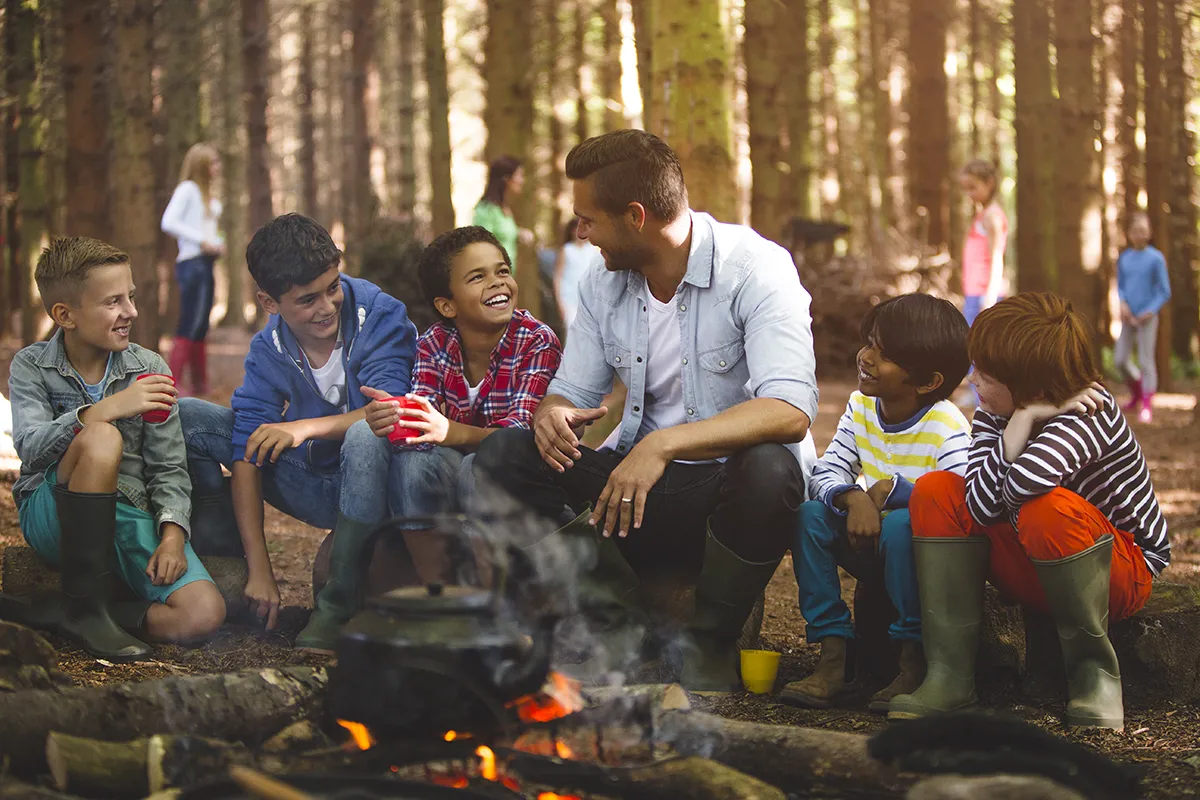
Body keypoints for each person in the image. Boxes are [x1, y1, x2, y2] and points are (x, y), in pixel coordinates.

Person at [473, 130, 818, 691]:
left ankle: (708, 642)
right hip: (628, 498)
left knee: (773, 467)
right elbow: (571, 391)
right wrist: (551, 416)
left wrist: (663, 445)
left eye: (588, 220)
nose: (579, 233)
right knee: (504, 455)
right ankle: (617, 626)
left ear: (635, 216)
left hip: (721, 502)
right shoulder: (600, 280)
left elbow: (789, 409)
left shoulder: (756, 268)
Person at [891, 293, 1169, 731]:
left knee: (1047, 506)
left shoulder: (1092, 411)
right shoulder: (996, 412)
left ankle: (1094, 676)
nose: (972, 380)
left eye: (986, 373)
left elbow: (1023, 486)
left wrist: (1022, 423)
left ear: (1031, 384)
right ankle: (950, 676)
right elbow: (979, 506)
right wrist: (1021, 420)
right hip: (1036, 559)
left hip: (1118, 572)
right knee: (935, 490)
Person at [178, 214, 417, 646]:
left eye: (332, 287)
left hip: (382, 482)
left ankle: (335, 605)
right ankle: (222, 559)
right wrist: (260, 570)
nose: (326, 306)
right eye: (307, 300)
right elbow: (245, 450)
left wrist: (303, 428)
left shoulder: (379, 314)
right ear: (270, 303)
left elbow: (390, 412)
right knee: (189, 418)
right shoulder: (268, 349)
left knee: (366, 434)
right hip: (313, 483)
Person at [5, 237, 225, 660]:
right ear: (64, 315)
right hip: (55, 514)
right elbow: (31, 448)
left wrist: (173, 536)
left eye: (131, 297)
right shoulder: (31, 366)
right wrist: (105, 410)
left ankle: (78, 611)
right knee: (103, 437)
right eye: (113, 302)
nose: (131, 312)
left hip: (128, 511)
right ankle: (87, 611)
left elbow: (168, 466)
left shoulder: (149, 368)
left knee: (202, 614)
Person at [780, 294, 971, 712]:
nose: (865, 357)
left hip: (921, 559)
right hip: (867, 540)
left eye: (883, 354)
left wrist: (892, 490)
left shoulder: (947, 425)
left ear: (927, 382)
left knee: (904, 525)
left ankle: (911, 660)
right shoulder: (862, 406)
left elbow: (960, 497)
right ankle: (833, 657)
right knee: (811, 515)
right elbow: (826, 472)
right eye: (869, 343)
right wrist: (853, 498)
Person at [357, 225, 562, 585]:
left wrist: (448, 430)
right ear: (446, 305)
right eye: (477, 277)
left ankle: (494, 601)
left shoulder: (536, 341)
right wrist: (397, 416)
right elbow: (423, 430)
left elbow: (516, 440)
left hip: (521, 487)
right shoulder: (434, 343)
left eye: (502, 271)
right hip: (453, 485)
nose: (498, 283)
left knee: (475, 467)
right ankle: (442, 593)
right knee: (412, 463)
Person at [161, 142, 225, 396]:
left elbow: (212, 229)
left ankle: (200, 384)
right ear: (201, 166)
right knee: (190, 321)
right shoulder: (187, 189)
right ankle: (172, 382)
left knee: (201, 325)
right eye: (213, 163)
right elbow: (169, 221)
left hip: (206, 263)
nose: (218, 167)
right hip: (192, 263)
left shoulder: (208, 196)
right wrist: (201, 240)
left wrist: (218, 243)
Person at [1114, 211, 1171, 424]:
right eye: (1135, 231)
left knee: (1146, 359)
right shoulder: (1125, 258)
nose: (1139, 234)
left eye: (1143, 230)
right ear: (1129, 233)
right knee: (1120, 359)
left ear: (1149, 233)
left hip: (1148, 317)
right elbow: (1120, 286)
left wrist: (1150, 310)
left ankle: (1147, 404)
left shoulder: (1156, 258)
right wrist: (1123, 304)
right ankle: (1137, 392)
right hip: (1128, 317)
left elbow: (1164, 291)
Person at [959, 158, 1008, 326]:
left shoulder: (992, 217)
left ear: (989, 183)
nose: (969, 194)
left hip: (984, 294)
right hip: (973, 292)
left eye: (973, 188)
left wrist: (991, 296)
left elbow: (996, 256)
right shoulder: (982, 215)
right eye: (966, 189)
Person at [473, 155, 535, 269]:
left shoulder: (504, 208)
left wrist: (519, 233)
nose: (522, 180)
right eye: (519, 175)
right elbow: (481, 244)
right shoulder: (486, 209)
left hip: (507, 276)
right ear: (506, 179)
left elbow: (502, 233)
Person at [553, 218, 598, 330]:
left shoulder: (593, 250)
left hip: (589, 301)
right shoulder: (566, 250)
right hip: (569, 300)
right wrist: (559, 302)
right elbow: (558, 277)